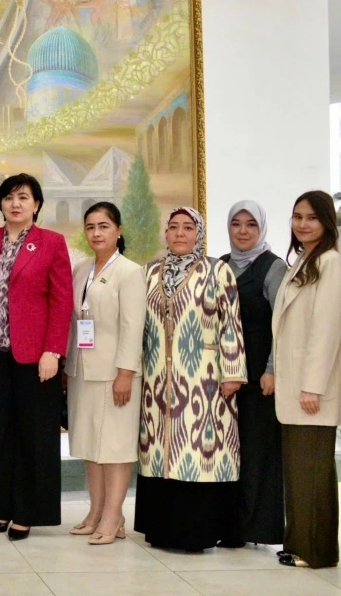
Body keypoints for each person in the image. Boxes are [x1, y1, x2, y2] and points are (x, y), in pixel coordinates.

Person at [135, 207, 246, 552]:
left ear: (199, 234)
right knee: (161, 450)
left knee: (198, 452)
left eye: (187, 227)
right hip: (157, 378)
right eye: (173, 227)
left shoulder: (217, 271)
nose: (180, 233)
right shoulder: (150, 272)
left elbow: (231, 323)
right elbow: (139, 327)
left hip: (205, 378)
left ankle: (197, 532)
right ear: (165, 233)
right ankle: (161, 530)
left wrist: (232, 372)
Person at [0, 174, 74, 541]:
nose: (15, 204)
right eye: (9, 198)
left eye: (24, 197)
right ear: (0, 204)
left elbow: (62, 301)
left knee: (34, 436)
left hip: (36, 358)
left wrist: (53, 351)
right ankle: (0, 508)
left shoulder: (52, 242)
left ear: (36, 204)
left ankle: (27, 512)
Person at [66, 202, 145, 546]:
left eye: (104, 226)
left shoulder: (130, 272)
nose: (96, 233)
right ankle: (96, 511)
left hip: (115, 373)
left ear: (118, 231)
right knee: (90, 445)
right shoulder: (81, 269)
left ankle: (113, 515)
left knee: (115, 447)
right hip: (83, 370)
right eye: (90, 227)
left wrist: (125, 373)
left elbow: (133, 326)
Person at [271, 190, 341, 568]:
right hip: (294, 386)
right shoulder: (303, 260)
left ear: (326, 221)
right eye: (297, 217)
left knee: (311, 471)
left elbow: (327, 330)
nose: (303, 224)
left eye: (312, 217)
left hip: (312, 389)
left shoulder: (331, 262)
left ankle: (316, 552)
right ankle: (300, 543)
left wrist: (312, 385)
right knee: (300, 471)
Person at [221, 200, 287, 548]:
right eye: (236, 224)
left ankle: (257, 529)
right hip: (223, 380)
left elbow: (283, 323)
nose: (243, 231)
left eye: (251, 225)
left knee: (258, 454)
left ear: (261, 229)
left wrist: (273, 370)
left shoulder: (273, 268)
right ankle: (230, 528)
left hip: (260, 378)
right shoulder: (220, 265)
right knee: (228, 453)